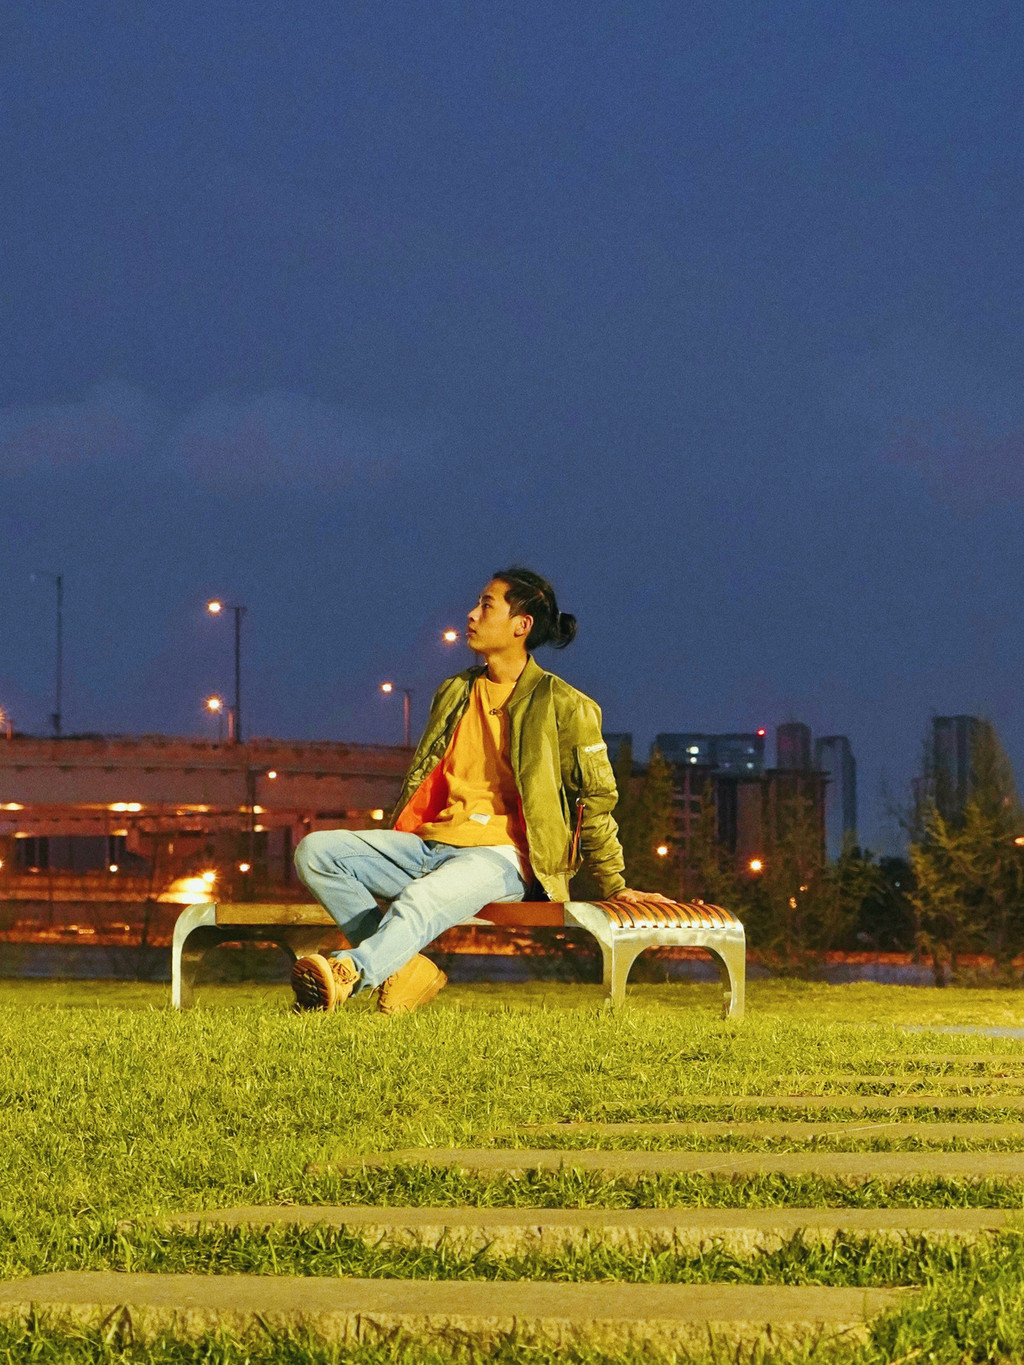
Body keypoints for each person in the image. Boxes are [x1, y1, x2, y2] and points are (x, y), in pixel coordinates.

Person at [290, 567, 663, 1014]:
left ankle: (348, 972)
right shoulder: (454, 692)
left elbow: (595, 803)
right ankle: (402, 970)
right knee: (317, 853)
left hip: (502, 858)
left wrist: (615, 885)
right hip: (430, 846)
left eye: (486, 606)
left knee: (422, 898)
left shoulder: (566, 705)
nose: (471, 614)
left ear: (521, 625)